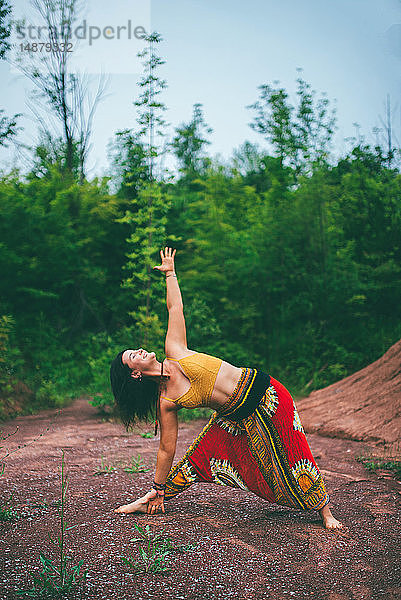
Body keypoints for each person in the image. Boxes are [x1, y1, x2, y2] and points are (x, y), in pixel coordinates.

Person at [111, 247, 343, 530]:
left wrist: (170, 274)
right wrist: (158, 483)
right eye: (133, 356)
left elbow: (175, 308)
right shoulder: (166, 400)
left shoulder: (174, 349)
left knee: (293, 452)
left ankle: (325, 511)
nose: (139, 350)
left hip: (266, 393)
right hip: (235, 416)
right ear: (135, 374)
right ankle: (155, 496)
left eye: (134, 349)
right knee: (197, 459)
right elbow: (165, 449)